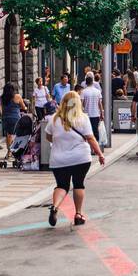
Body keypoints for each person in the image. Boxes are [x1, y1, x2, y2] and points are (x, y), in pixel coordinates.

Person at [44, 91, 105, 227]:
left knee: (61, 185)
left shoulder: (54, 118)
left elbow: (48, 137)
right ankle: (78, 214)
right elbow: (90, 138)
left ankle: (55, 207)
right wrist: (100, 154)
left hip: (58, 160)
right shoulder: (82, 118)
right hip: (80, 158)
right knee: (78, 184)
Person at [0, 82, 25, 151]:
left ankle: (9, 151)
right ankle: (13, 150)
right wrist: (25, 108)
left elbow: (1, 107)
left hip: (5, 118)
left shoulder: (2, 97)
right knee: (15, 134)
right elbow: (23, 107)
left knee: (8, 135)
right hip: (15, 117)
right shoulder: (17, 96)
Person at [80, 74, 103, 140]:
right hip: (96, 114)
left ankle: (88, 145)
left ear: (86, 83)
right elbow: (100, 103)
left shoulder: (83, 92)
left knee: (86, 131)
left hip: (86, 114)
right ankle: (96, 145)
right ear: (92, 82)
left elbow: (81, 104)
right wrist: (102, 113)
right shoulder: (98, 91)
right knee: (95, 130)